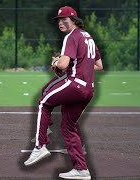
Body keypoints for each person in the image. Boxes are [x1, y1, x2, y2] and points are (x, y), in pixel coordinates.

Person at [24, 6, 103, 180]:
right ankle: (81, 169)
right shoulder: (88, 37)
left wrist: (57, 61)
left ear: (74, 20)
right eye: (58, 20)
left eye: (64, 19)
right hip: (88, 89)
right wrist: (75, 63)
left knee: (44, 102)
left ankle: (40, 146)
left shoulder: (71, 36)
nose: (60, 22)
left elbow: (62, 66)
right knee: (68, 126)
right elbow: (98, 65)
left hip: (75, 85)